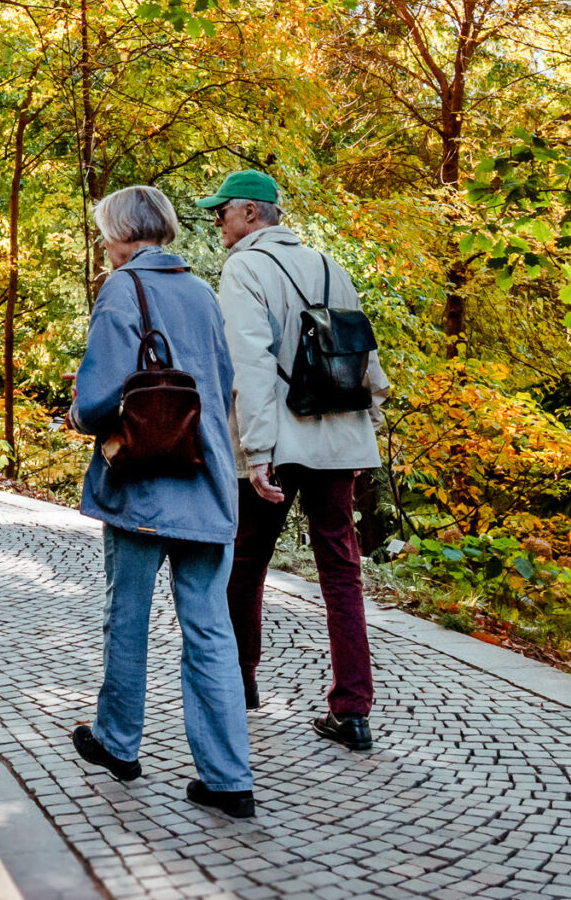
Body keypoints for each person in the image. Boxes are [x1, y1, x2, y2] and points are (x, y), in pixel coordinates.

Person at [65, 184, 257, 820]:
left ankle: (118, 743)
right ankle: (228, 778)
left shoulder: (122, 288)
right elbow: (221, 384)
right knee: (210, 628)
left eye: (106, 233)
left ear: (122, 233)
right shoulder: (202, 291)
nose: (104, 245)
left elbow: (99, 396)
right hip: (208, 481)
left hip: (145, 483)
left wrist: (78, 410)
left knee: (128, 616)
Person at [198, 168, 389, 753]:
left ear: (250, 213)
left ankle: (239, 684)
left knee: (244, 563)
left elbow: (250, 366)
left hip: (279, 441)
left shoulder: (244, 269)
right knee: (342, 572)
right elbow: (364, 354)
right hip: (339, 439)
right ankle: (352, 711)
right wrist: (367, 424)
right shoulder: (330, 266)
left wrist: (257, 452)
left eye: (222, 212)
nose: (217, 222)